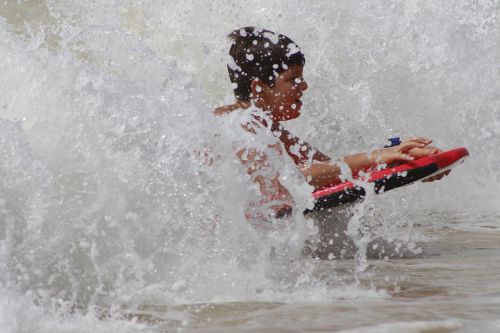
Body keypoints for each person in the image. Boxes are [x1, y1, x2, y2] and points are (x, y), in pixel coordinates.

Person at [215, 27, 447, 218]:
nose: (304, 87)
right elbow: (290, 178)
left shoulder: (266, 127)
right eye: (293, 78)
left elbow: (327, 167)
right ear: (259, 88)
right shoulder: (235, 127)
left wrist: (399, 158)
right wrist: (377, 157)